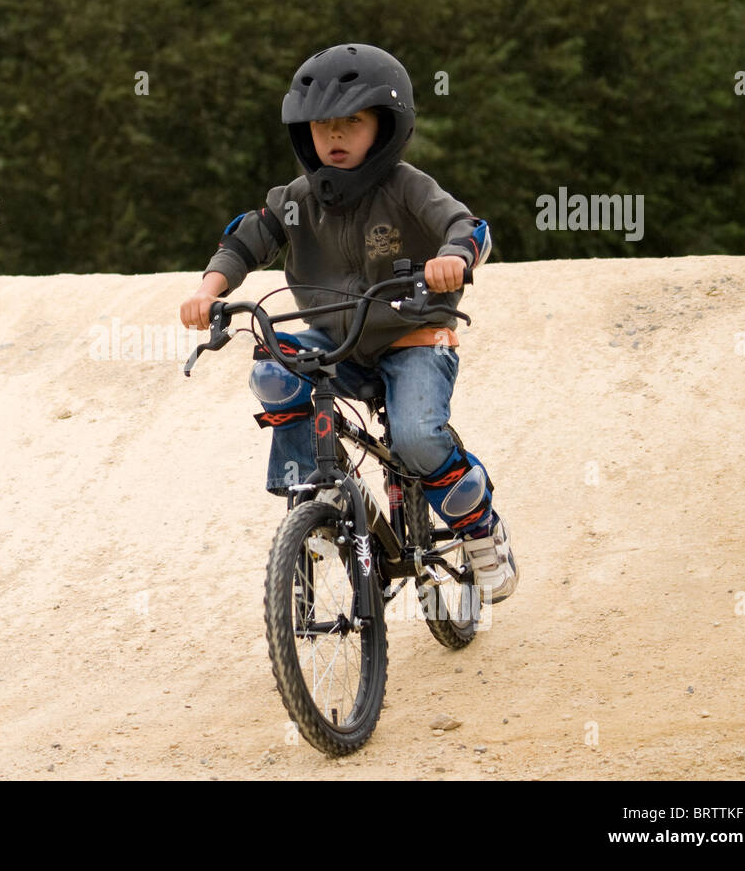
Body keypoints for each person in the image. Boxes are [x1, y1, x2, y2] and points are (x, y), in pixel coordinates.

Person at [179, 43, 517, 603]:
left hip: (413, 341)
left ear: (385, 129)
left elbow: (468, 226)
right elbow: (246, 239)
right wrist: (206, 292)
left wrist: (454, 256)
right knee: (273, 368)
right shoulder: (298, 199)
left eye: (351, 124)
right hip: (335, 344)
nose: (333, 137)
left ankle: (481, 530)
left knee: (414, 438)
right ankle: (310, 495)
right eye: (321, 127)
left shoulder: (407, 187)